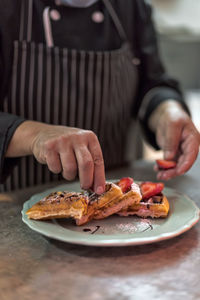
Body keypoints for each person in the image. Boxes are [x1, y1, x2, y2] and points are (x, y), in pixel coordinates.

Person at [0, 0, 199, 193]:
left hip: (112, 205)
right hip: (14, 202)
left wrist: (167, 110)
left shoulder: (131, 6)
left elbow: (152, 82)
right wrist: (35, 136)